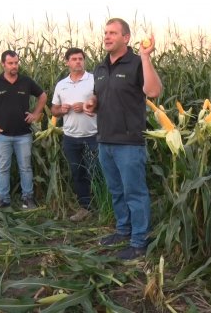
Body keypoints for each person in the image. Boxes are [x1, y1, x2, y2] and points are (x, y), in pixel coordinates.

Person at [84, 18, 163, 260]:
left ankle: (139, 242)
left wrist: (147, 57)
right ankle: (123, 230)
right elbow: (99, 97)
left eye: (113, 33)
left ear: (126, 38)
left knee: (134, 193)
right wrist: (92, 104)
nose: (107, 37)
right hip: (105, 140)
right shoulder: (99, 68)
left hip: (129, 143)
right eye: (105, 32)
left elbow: (153, 91)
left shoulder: (137, 63)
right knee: (116, 190)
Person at [0, 50, 47, 209]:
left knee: (26, 167)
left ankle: (28, 198)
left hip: (23, 134)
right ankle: (3, 200)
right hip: (1, 135)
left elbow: (42, 96)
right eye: (10, 63)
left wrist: (36, 114)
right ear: (3, 64)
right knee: (2, 168)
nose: (14, 66)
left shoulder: (26, 82)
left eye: (16, 63)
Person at [51, 48, 97, 222]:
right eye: (74, 59)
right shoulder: (61, 84)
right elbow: (54, 110)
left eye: (80, 59)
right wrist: (61, 110)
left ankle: (103, 204)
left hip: (93, 135)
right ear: (67, 62)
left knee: (97, 172)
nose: (78, 61)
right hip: (70, 138)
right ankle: (85, 208)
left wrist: (85, 104)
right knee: (78, 173)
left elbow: (103, 102)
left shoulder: (93, 80)